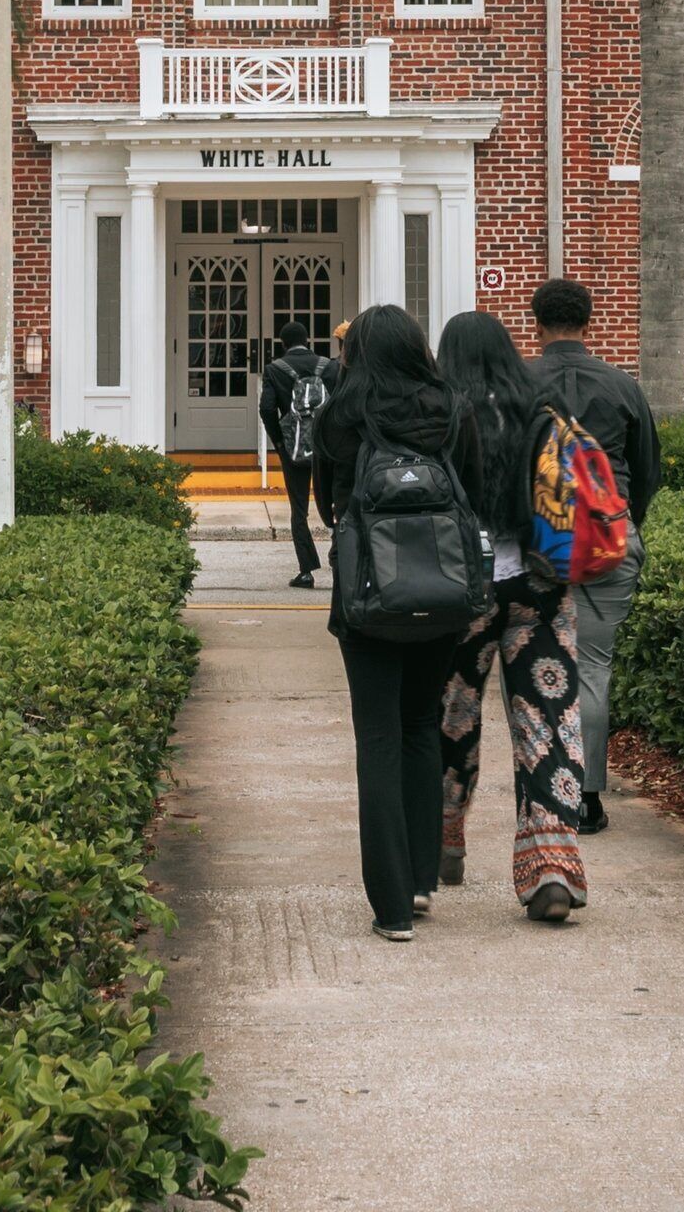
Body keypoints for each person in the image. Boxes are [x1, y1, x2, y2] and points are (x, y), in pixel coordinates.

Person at [431, 308, 587, 924]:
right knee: (549, 718)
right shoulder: (543, 410)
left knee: (452, 714)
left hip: (461, 589)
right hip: (541, 586)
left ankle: (445, 837)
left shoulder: (442, 414)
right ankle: (552, 864)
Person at [316, 303, 466, 943]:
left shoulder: (341, 415)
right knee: (422, 726)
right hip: (441, 590)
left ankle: (392, 910)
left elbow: (329, 506)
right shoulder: (449, 410)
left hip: (369, 595)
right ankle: (422, 880)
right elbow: (471, 494)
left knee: (376, 737)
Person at [532, 278, 660, 834]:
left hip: (539, 544)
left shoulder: (519, 384)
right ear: (590, 322)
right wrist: (625, 528)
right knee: (592, 670)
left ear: (535, 323)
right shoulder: (622, 386)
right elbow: (648, 472)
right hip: (608, 540)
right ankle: (586, 799)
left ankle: (543, 789)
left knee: (536, 672)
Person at [260, 328, 341, 588]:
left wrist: (280, 442)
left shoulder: (275, 369)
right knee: (337, 504)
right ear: (307, 341)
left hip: (293, 448)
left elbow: (267, 408)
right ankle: (339, 557)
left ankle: (306, 570)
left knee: (299, 510)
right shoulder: (329, 367)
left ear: (283, 342)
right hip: (327, 448)